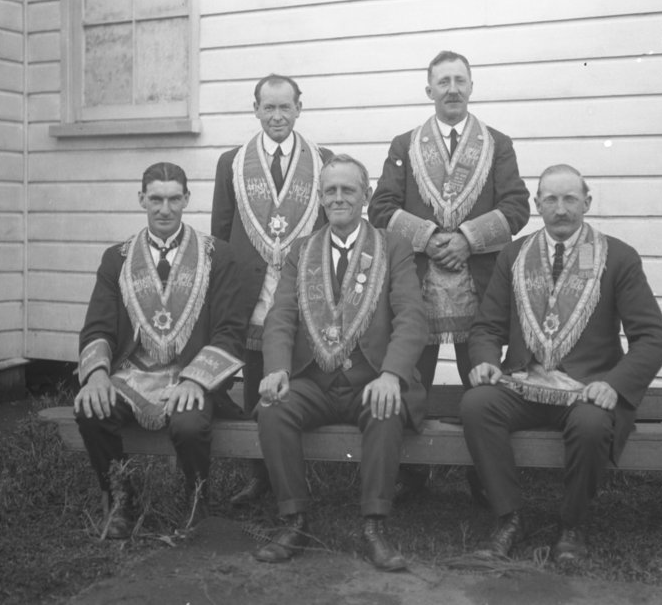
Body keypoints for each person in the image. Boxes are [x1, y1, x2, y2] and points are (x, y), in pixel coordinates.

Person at [461, 164, 662, 562]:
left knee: (592, 425)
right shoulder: (515, 254)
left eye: (570, 199)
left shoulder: (618, 257)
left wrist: (614, 384)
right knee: (477, 404)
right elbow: (487, 327)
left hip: (586, 390)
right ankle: (507, 517)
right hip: (524, 384)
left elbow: (653, 338)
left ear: (587, 203)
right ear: (537, 203)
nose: (560, 209)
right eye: (551, 199)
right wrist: (486, 361)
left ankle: (571, 525)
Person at [252, 154, 428, 572]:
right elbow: (281, 315)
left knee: (387, 407)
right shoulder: (302, 250)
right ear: (320, 198)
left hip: (371, 379)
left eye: (348, 189)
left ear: (365, 195)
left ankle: (374, 527)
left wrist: (391, 375)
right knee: (273, 409)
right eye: (330, 190)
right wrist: (276, 368)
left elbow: (410, 316)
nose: (338, 198)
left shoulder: (392, 246)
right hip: (313, 381)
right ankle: (294, 521)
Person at [368, 50, 530, 499]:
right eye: (443, 82)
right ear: (429, 91)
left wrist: (466, 239)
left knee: (481, 383)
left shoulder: (498, 143)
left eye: (460, 80)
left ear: (472, 87)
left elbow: (517, 207)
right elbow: (380, 207)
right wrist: (429, 238)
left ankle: (484, 476)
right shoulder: (405, 145)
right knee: (409, 380)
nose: (452, 89)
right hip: (417, 282)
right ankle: (409, 472)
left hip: (477, 283)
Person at [74, 162, 248, 539]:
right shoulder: (118, 258)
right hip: (133, 373)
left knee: (187, 423)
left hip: (192, 372)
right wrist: (97, 376)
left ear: (186, 199)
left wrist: (197, 381)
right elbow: (98, 326)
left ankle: (197, 502)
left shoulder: (218, 255)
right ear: (142, 200)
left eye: (173, 199)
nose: (164, 209)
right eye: (156, 199)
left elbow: (229, 331)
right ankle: (121, 500)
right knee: (91, 408)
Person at [212, 74, 332, 507]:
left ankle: (300, 468)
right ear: (256, 109)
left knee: (302, 375)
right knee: (254, 382)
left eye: (286, 107)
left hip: (304, 286)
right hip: (252, 290)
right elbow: (221, 235)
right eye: (269, 107)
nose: (277, 116)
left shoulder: (322, 160)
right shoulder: (232, 162)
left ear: (299, 108)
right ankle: (257, 473)